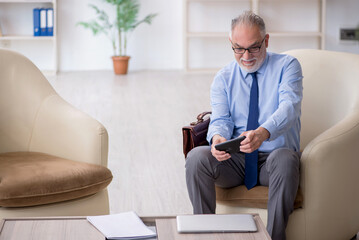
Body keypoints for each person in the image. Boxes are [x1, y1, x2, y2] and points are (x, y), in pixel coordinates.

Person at [185, 11, 303, 240]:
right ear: (231, 43)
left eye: (254, 47)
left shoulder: (288, 66)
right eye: (239, 48)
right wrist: (218, 137)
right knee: (196, 158)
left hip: (273, 160)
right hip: (236, 160)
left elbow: (289, 107)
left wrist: (263, 133)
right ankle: (204, 235)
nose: (246, 55)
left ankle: (275, 237)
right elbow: (221, 118)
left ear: (266, 40)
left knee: (286, 159)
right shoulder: (223, 78)